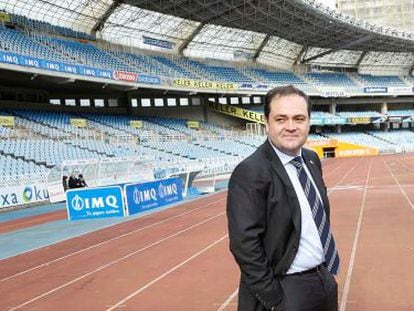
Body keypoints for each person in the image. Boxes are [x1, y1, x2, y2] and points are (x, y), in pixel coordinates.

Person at [227, 85, 340, 311]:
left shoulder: (310, 159)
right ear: (267, 123)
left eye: (299, 118)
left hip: (323, 280)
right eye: (281, 119)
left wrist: (326, 278)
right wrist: (275, 300)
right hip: (286, 290)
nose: (291, 126)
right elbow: (244, 244)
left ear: (308, 122)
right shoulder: (250, 171)